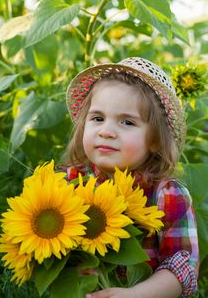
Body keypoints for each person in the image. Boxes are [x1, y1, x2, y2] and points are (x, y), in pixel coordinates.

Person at [62, 57, 199, 298]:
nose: (106, 131)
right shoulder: (70, 182)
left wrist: (136, 294)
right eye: (97, 118)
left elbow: (183, 266)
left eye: (127, 122)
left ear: (155, 139)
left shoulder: (166, 194)